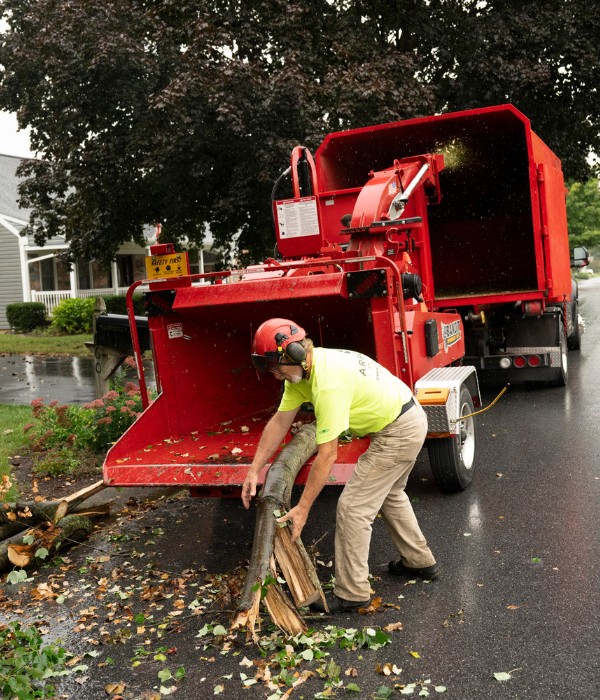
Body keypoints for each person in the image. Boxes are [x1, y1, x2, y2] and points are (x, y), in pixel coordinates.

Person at [241, 318, 438, 613]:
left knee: (352, 507)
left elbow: (327, 456)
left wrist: (303, 508)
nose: (273, 374)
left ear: (293, 354)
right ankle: (420, 563)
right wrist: (254, 469)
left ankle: (352, 593)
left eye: (274, 366)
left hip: (400, 430)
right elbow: (280, 422)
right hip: (403, 420)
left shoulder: (327, 382)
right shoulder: (302, 375)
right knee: (390, 494)